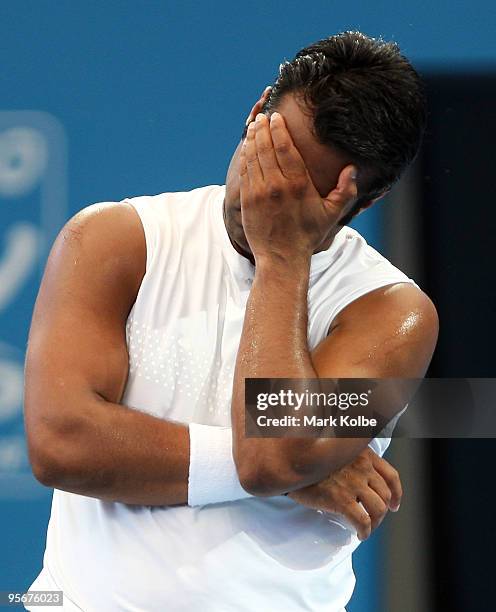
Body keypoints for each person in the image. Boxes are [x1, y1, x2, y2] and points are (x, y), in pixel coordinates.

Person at [24, 31, 438, 611]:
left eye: (304, 191)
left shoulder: (391, 314)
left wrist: (282, 259)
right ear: (254, 113)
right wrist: (295, 473)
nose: (266, 196)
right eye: (272, 155)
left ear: (364, 202)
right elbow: (60, 446)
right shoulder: (113, 241)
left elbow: (271, 454)